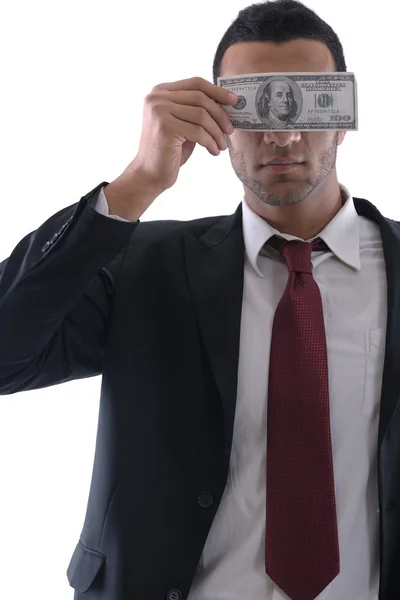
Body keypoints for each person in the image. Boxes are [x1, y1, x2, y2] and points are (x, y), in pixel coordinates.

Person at [0, 1, 396, 599]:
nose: (283, 133)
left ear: (343, 116)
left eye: (308, 105)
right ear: (216, 119)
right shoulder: (145, 266)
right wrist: (136, 182)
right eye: (254, 107)